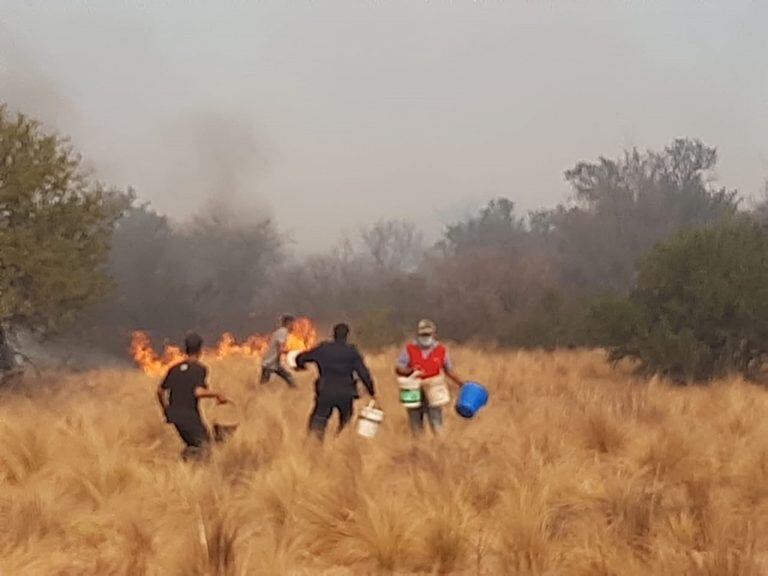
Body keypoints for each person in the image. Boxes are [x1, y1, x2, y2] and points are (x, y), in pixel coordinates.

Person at [156, 333, 230, 460]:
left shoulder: (174, 368)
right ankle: (185, 462)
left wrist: (166, 410)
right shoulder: (199, 369)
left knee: (194, 442)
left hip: (174, 415)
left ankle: (186, 464)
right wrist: (218, 395)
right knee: (206, 446)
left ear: (186, 349)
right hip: (189, 415)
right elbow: (198, 392)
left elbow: (160, 390)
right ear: (200, 350)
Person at [296, 323, 376, 439]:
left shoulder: (323, 349)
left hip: (325, 391)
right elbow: (363, 373)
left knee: (319, 420)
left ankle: (315, 446)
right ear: (347, 335)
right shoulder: (351, 351)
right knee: (346, 420)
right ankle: (340, 442)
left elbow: (301, 357)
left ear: (333, 334)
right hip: (346, 392)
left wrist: (301, 366)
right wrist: (371, 390)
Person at [396, 319, 464, 435]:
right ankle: (418, 448)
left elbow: (448, 370)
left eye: (427, 334)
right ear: (418, 334)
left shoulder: (441, 350)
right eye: (423, 334)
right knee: (415, 422)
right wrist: (410, 371)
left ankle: (439, 448)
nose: (425, 337)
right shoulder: (409, 349)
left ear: (433, 334)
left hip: (434, 388)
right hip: (414, 388)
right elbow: (399, 368)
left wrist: (461, 383)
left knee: (436, 421)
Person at [260, 315, 297, 388]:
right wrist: (289, 352)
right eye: (293, 324)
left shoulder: (280, 332)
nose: (294, 326)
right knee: (288, 378)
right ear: (288, 323)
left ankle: (295, 393)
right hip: (270, 363)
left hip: (273, 363)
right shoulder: (283, 332)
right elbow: (280, 348)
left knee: (288, 377)